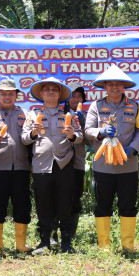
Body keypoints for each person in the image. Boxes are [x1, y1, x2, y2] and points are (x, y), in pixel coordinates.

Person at [85, 64, 139, 251]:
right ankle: (104, 245)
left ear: (124, 86)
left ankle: (128, 245)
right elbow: (88, 130)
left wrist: (134, 148)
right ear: (104, 86)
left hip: (128, 165)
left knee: (128, 205)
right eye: (110, 84)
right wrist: (101, 131)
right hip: (103, 165)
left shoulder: (135, 106)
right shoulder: (96, 106)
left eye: (118, 84)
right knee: (102, 205)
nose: (114, 87)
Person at [22, 77, 83, 254]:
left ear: (59, 94)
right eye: (46, 89)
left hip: (63, 164)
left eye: (54, 89)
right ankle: (44, 242)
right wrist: (33, 133)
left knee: (65, 204)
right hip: (41, 165)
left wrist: (72, 135)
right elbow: (24, 139)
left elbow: (80, 137)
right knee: (43, 204)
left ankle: (66, 243)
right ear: (41, 94)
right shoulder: (33, 115)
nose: (50, 91)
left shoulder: (68, 114)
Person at [0, 78, 32, 254]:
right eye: (4, 94)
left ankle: (21, 244)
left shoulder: (25, 114)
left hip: (21, 168)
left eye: (11, 94)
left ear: (17, 95)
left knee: (22, 205)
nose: (7, 97)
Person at [63, 83, 88, 243]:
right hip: (58, 164)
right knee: (57, 199)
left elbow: (91, 142)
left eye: (79, 96)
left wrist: (83, 124)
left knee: (74, 199)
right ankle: (53, 234)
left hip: (77, 164)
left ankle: (70, 233)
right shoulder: (59, 113)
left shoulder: (84, 116)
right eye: (73, 95)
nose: (76, 99)